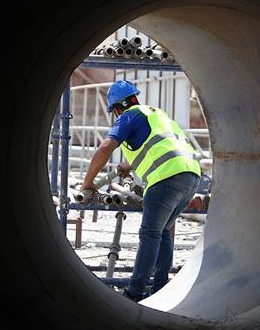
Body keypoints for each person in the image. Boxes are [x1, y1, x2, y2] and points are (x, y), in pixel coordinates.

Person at [79, 80, 201, 301]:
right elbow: (162, 146)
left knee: (150, 234)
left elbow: (105, 147)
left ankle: (135, 292)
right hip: (191, 176)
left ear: (117, 107)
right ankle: (161, 288)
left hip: (165, 180)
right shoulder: (156, 114)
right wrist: (130, 165)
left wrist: (87, 182)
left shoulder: (128, 116)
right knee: (162, 232)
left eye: (114, 111)